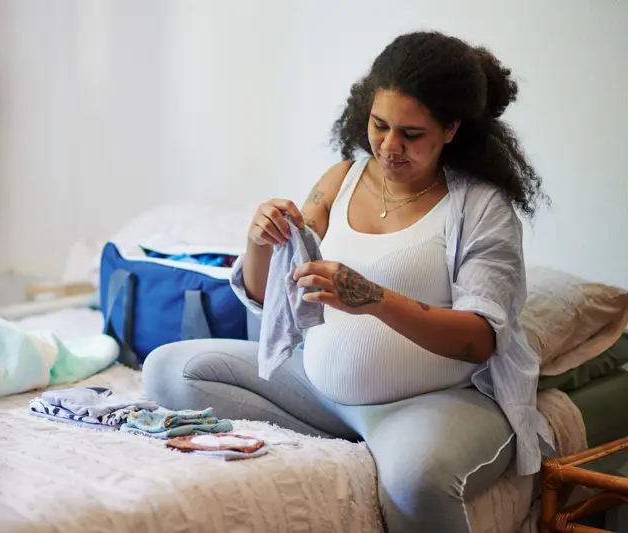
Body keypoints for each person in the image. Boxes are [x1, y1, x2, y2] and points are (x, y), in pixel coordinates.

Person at [142, 31, 555, 532]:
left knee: (417, 480)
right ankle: (349, 438)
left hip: (430, 402)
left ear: (450, 129)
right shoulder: (341, 178)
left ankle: (396, 441)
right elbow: (263, 294)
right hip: (318, 393)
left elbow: (478, 339)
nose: (389, 147)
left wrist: (374, 298)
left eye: (412, 134)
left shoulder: (481, 208)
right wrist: (258, 239)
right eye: (379, 125)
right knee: (168, 369)